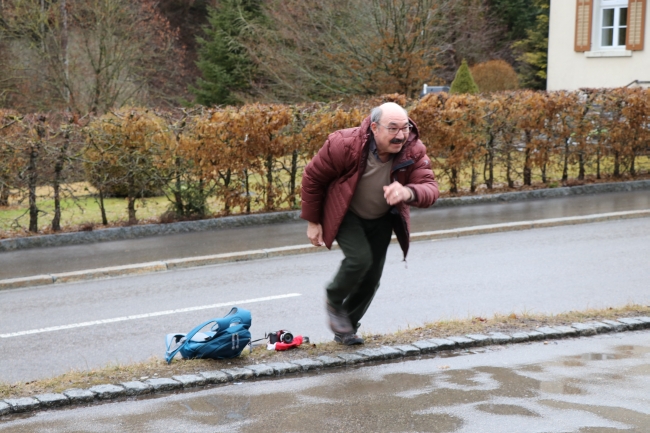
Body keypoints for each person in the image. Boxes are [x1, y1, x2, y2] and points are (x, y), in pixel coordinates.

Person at [300, 102, 439, 345]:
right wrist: (313, 221)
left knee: (372, 276)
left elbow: (430, 188)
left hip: (382, 217)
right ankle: (334, 297)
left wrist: (408, 192)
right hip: (346, 213)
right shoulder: (344, 144)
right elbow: (313, 177)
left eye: (405, 128)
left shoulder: (413, 151)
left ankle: (347, 328)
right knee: (359, 260)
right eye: (393, 128)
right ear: (374, 127)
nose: (400, 136)